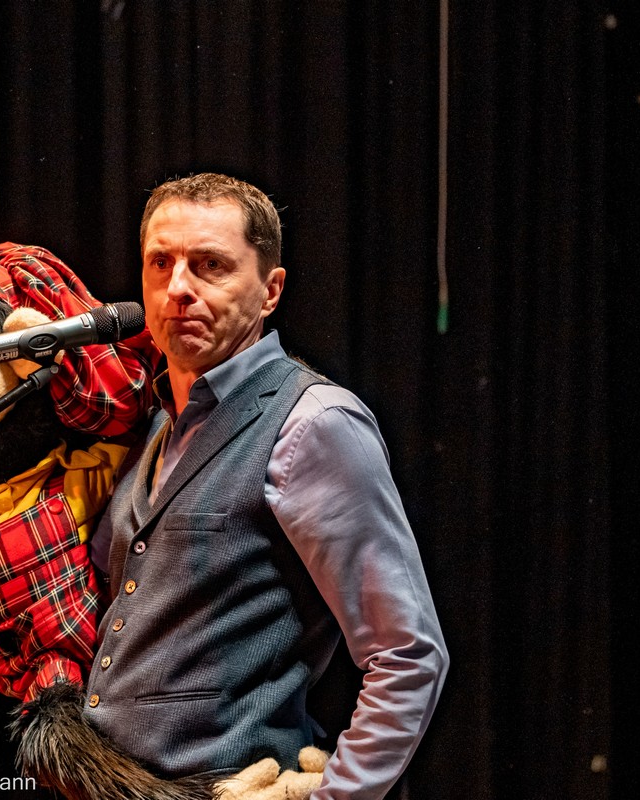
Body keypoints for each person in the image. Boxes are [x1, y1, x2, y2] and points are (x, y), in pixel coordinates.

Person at [83, 173, 448, 799]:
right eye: (160, 263)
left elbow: (408, 655)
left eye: (210, 265)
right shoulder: (155, 425)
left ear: (270, 291)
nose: (178, 288)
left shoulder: (314, 424)